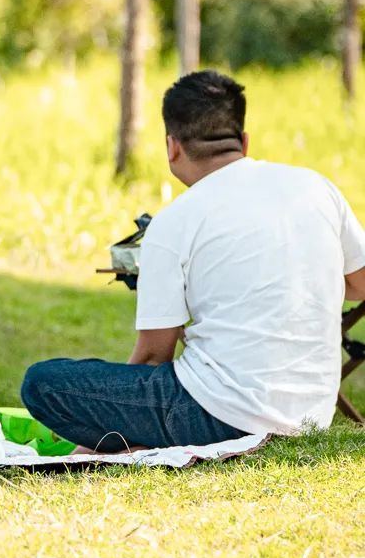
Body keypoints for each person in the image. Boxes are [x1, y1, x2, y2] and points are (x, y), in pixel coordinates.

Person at [21, 69, 365, 452]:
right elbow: (360, 283)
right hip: (311, 415)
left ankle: (137, 442)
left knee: (42, 384)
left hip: (218, 415)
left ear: (173, 147)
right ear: (244, 141)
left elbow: (153, 356)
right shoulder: (316, 188)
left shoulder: (174, 221)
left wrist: (115, 416)